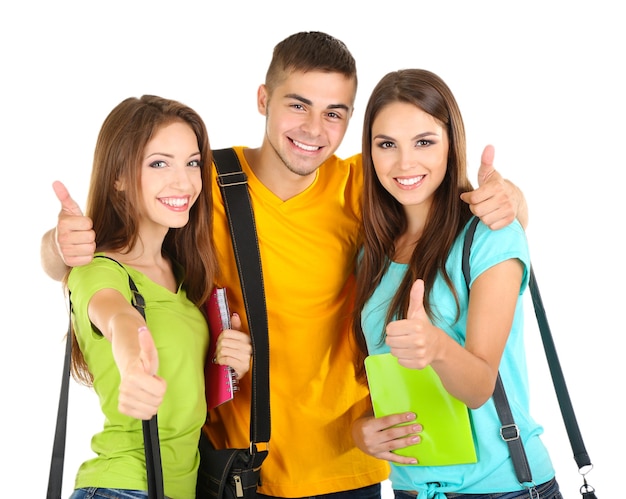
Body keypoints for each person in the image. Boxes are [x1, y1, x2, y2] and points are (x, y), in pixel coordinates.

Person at [41, 33, 528, 498]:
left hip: (352, 465)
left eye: (334, 113)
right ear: (263, 99)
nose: (314, 130)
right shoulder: (197, 184)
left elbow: (463, 212)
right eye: (298, 105)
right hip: (236, 469)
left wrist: (512, 198)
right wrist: (56, 245)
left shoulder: (368, 184)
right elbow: (105, 264)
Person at [350, 69, 560, 499]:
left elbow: (480, 386)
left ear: (451, 144)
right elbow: (379, 377)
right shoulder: (369, 255)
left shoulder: (491, 235)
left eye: (424, 142)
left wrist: (438, 347)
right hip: (410, 488)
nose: (405, 163)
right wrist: (361, 431)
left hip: (505, 489)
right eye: (386, 144)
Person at [61, 95, 252, 499]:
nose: (183, 182)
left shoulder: (183, 276)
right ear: (119, 177)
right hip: (123, 488)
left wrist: (231, 364)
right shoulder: (99, 269)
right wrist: (132, 365)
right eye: (159, 163)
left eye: (192, 162)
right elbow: (118, 319)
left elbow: (184, 397)